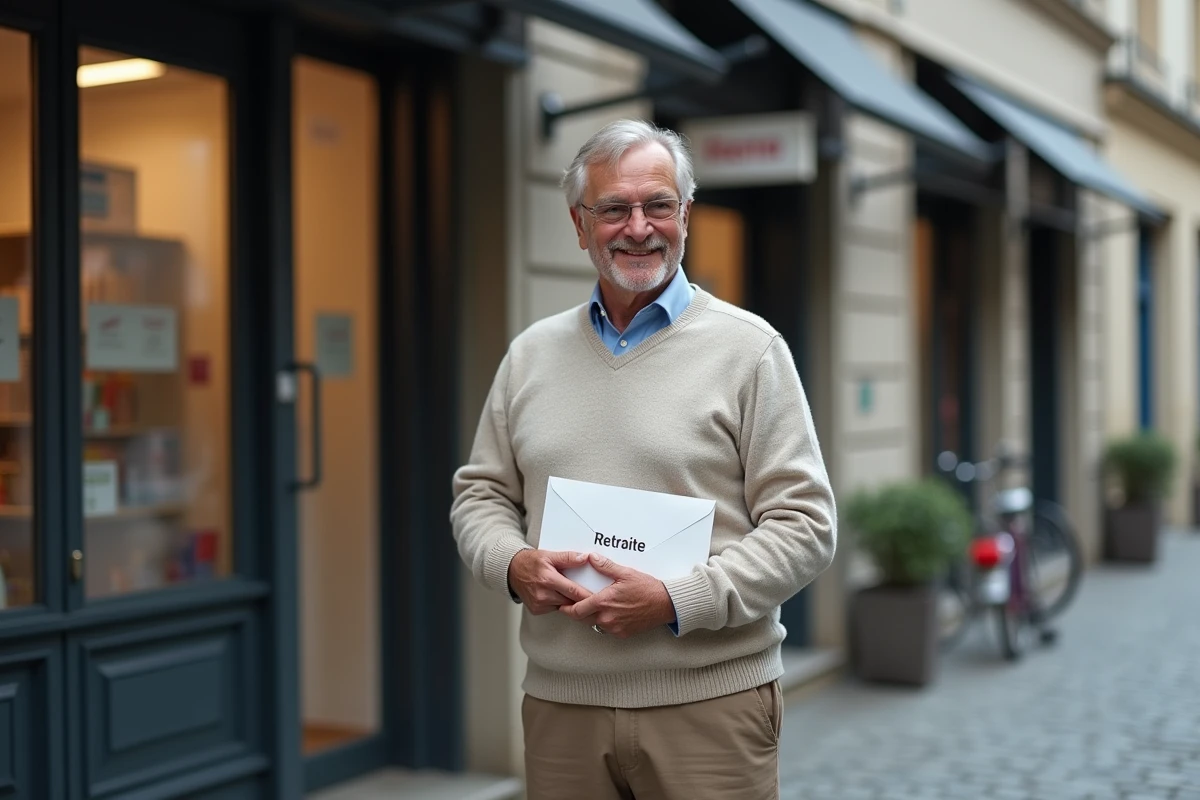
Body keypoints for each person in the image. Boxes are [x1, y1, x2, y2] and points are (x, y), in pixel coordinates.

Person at [450, 118, 837, 800]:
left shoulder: (750, 350)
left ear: (685, 215)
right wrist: (512, 563)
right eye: (613, 209)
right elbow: (480, 495)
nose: (638, 228)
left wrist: (676, 600)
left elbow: (805, 526)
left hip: (711, 707)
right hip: (562, 708)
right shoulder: (530, 355)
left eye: (658, 204)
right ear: (579, 224)